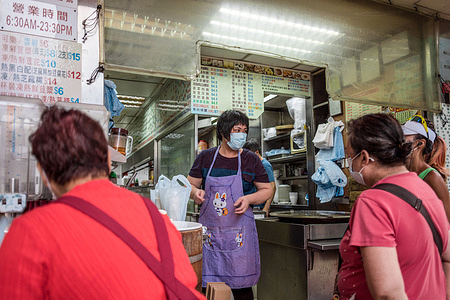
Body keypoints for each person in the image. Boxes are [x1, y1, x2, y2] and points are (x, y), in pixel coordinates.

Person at [0, 106, 204, 299]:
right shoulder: (153, 214)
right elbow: (185, 282)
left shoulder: (30, 232)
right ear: (108, 160)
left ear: (43, 174)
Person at [337, 113, 450, 299]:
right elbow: (447, 258)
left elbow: (388, 293)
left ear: (365, 158)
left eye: (351, 158)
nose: (351, 165)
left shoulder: (372, 202)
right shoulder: (425, 189)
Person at [187, 110, 272, 300]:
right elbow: (190, 184)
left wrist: (249, 199)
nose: (242, 134)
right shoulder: (206, 157)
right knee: (210, 288)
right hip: (211, 237)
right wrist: (195, 193)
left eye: (244, 130)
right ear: (224, 132)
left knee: (242, 289)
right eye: (237, 129)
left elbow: (267, 190)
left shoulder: (251, 159)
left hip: (239, 237)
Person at [402, 115, 450, 222]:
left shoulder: (432, 177)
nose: (399, 142)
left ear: (420, 143)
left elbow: (446, 221)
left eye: (404, 137)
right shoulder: (403, 172)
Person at [243, 139, 276, 217]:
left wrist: (266, 208)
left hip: (262, 208)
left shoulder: (265, 165)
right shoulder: (254, 164)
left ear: (257, 152)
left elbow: (273, 187)